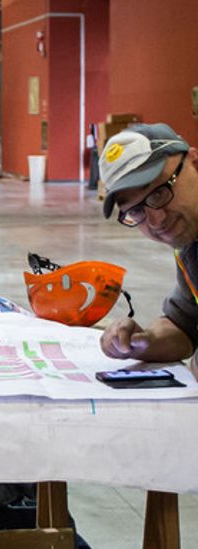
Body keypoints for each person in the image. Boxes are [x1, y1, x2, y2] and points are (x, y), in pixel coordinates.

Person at [98, 123, 198, 369]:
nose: (157, 220)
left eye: (158, 193)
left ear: (194, 163)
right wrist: (143, 342)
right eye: (136, 210)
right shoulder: (189, 243)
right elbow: (184, 326)